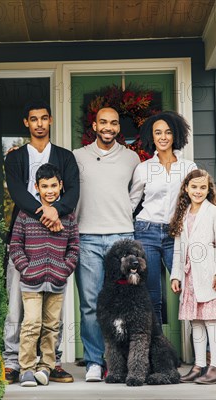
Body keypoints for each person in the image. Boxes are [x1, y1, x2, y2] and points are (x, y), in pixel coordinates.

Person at [3, 100, 79, 384]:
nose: (39, 124)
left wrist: (56, 211)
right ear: (26, 123)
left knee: (51, 313)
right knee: (16, 306)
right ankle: (12, 362)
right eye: (33, 119)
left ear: (50, 121)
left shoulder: (65, 157)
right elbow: (17, 193)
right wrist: (46, 212)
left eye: (44, 118)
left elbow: (72, 192)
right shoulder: (14, 158)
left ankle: (52, 362)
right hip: (25, 241)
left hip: (57, 242)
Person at [73, 107, 141, 382]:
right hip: (87, 236)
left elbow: (136, 193)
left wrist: (123, 210)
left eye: (113, 122)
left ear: (118, 128)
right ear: (95, 124)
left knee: (124, 304)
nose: (108, 127)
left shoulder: (131, 158)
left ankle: (120, 362)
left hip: (121, 237)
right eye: (103, 122)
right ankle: (93, 362)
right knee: (90, 304)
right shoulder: (77, 157)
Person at [129, 111, 197, 325]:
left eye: (168, 132)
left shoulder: (189, 167)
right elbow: (132, 202)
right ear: (152, 137)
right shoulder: (143, 168)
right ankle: (156, 349)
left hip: (176, 233)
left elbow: (197, 201)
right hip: (146, 232)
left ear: (175, 135)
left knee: (189, 287)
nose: (163, 137)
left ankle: (201, 346)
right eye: (158, 133)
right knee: (153, 296)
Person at [169, 169, 216, 384]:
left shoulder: (214, 212)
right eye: (194, 187)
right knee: (195, 323)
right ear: (186, 188)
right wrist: (176, 275)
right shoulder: (183, 214)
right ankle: (199, 365)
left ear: (208, 189)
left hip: (209, 275)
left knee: (211, 322)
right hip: (190, 277)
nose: (198, 191)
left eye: (203, 187)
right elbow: (178, 248)